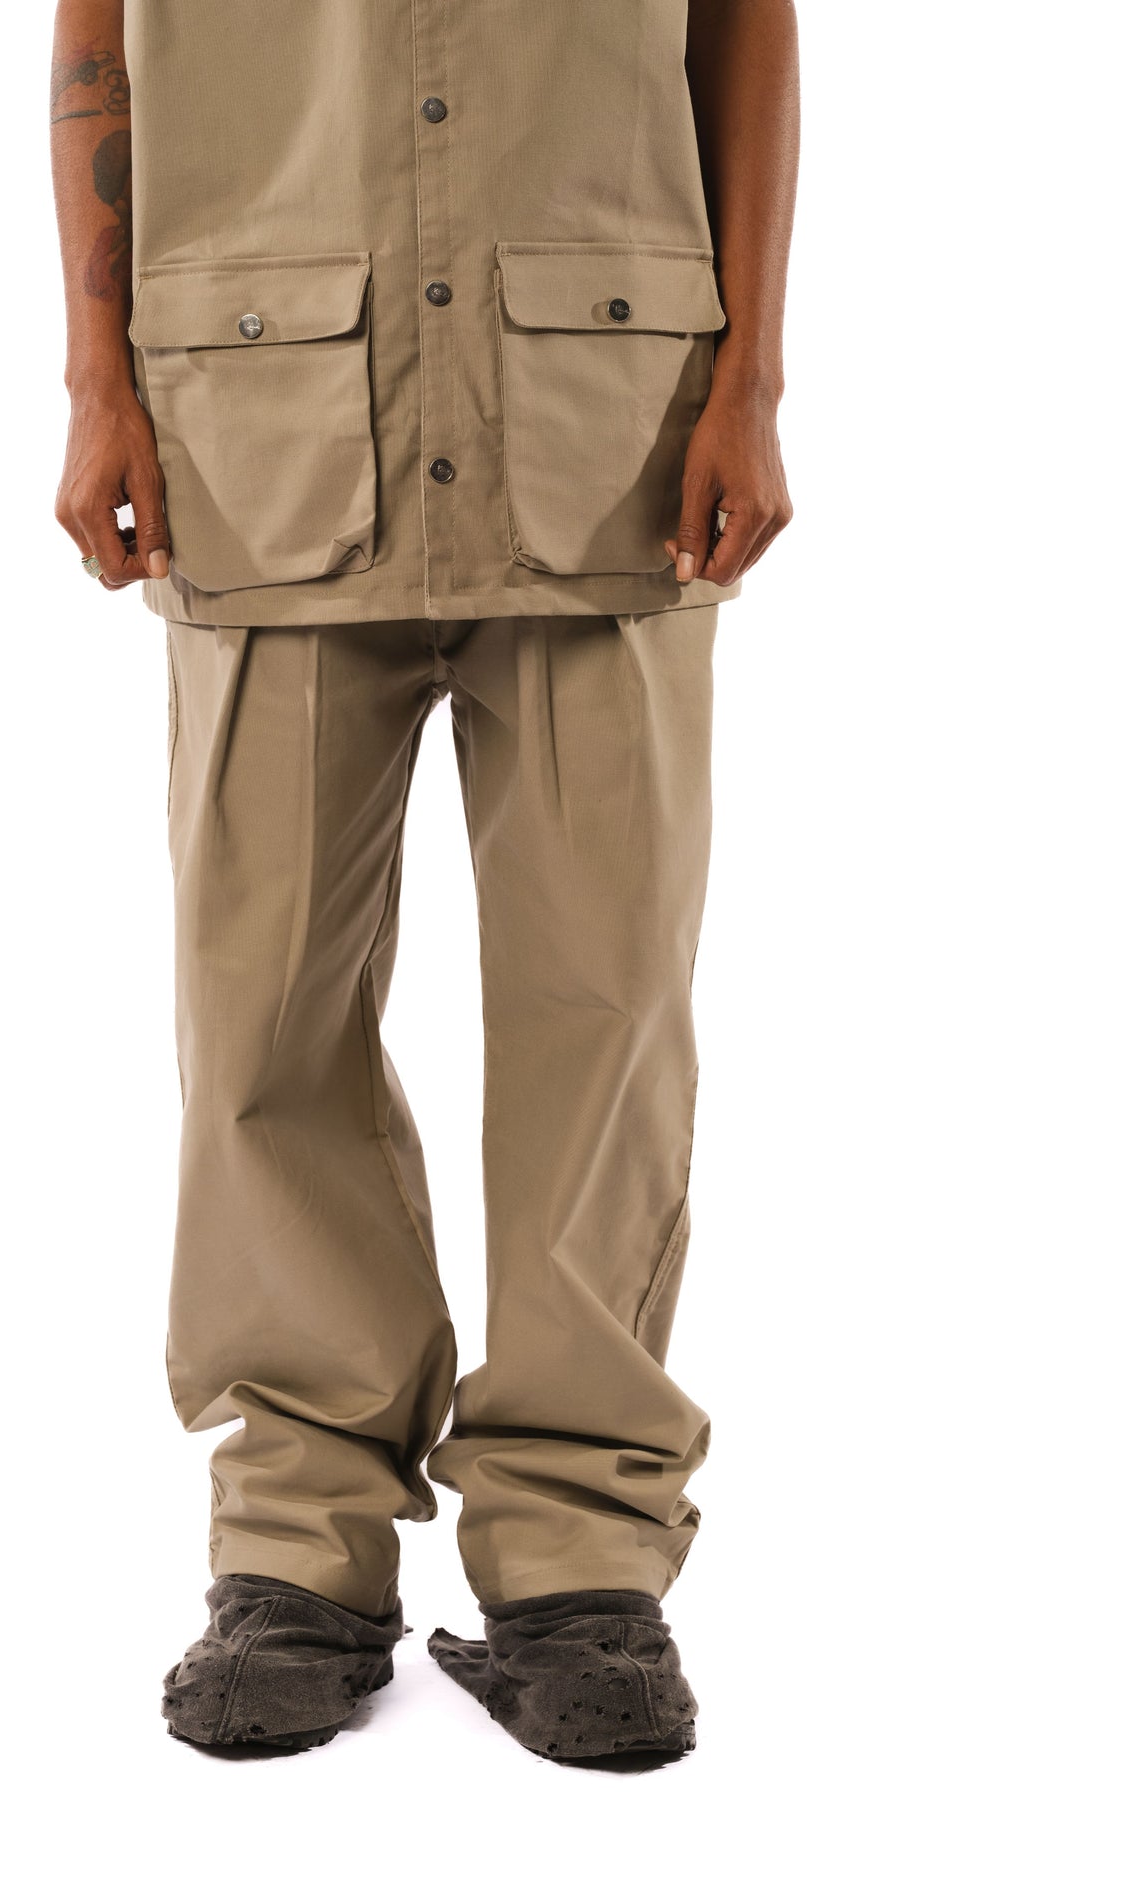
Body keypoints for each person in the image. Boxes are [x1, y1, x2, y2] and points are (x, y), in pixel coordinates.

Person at [51, 0, 797, 1762]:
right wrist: (96, 387)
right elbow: (94, 40)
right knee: (258, 1020)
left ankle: (579, 1561)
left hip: (609, 425)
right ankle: (295, 1552)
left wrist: (749, 386)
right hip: (260, 425)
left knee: (607, 1013)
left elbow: (745, 29)